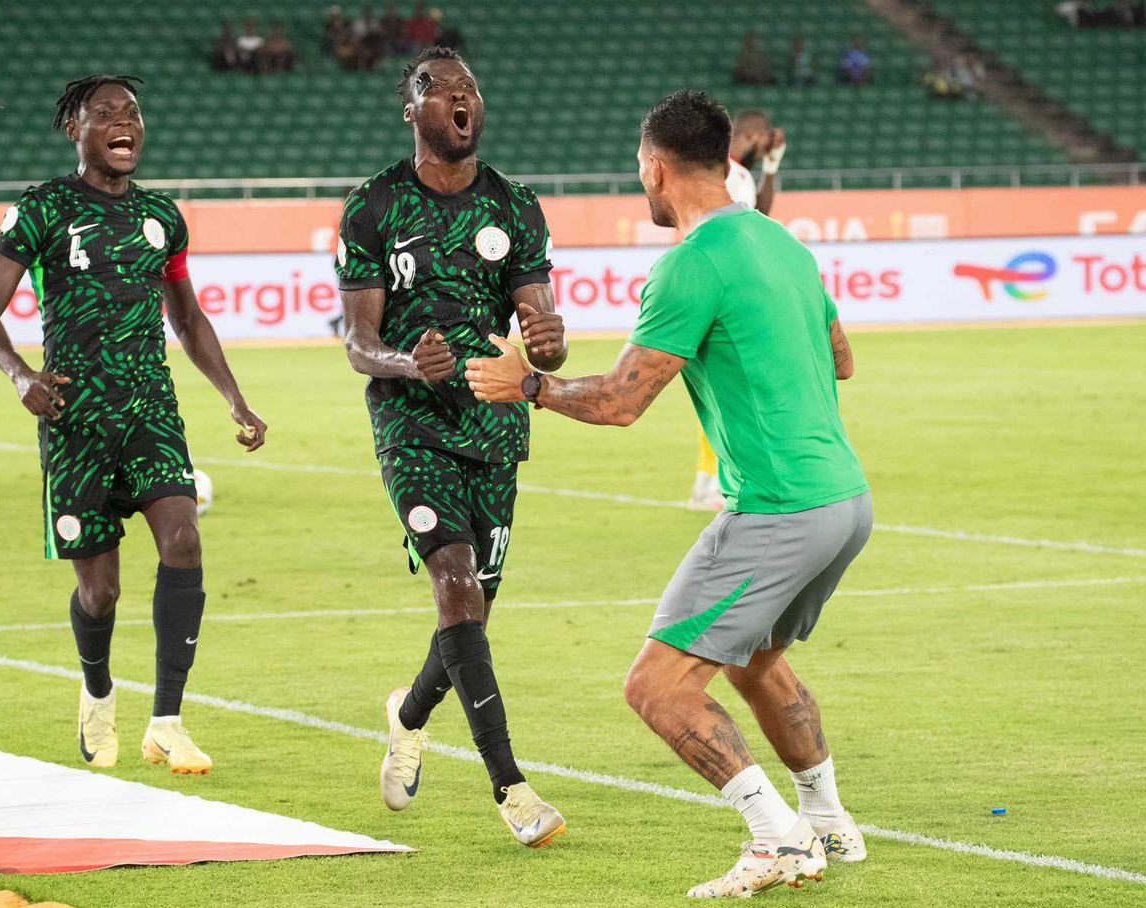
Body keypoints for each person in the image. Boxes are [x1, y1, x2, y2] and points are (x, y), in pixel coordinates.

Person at [466, 90, 870, 898]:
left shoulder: (690, 264)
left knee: (657, 687)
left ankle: (779, 841)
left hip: (781, 506)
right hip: (844, 499)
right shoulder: (782, 244)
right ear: (727, 162)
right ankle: (827, 821)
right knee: (757, 663)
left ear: (654, 167)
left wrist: (529, 386)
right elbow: (843, 358)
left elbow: (619, 401)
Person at [0, 75, 268, 776]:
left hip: (149, 409)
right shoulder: (41, 211)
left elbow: (187, 319)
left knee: (184, 542)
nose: (124, 122)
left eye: (133, 113)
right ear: (75, 127)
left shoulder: (162, 217)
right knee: (100, 591)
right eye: (106, 113)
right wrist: (21, 376)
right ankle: (98, 691)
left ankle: (166, 720)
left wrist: (233, 397)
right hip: (74, 417)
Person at [335, 46, 569, 848]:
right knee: (456, 584)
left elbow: (542, 336)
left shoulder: (517, 205)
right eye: (442, 89)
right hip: (410, 424)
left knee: (473, 610)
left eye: (472, 87)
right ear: (413, 109)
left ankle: (407, 715)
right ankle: (513, 790)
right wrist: (409, 361)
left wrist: (549, 339)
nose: (463, 98)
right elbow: (359, 345)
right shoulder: (372, 208)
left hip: (496, 424)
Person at [691, 109, 786, 511]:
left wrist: (773, 164)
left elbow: (760, 213)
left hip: (719, 288)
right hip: (724, 290)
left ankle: (710, 480)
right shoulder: (725, 176)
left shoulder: (728, 175)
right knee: (728, 390)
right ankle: (711, 481)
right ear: (754, 134)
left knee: (723, 389)